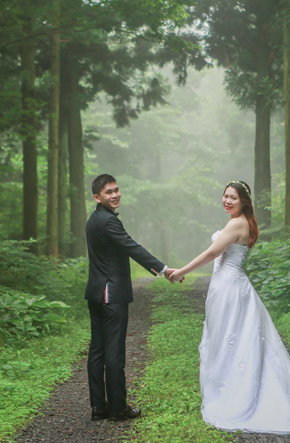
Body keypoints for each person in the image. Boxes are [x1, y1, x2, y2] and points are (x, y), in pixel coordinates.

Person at [169, 181, 290, 434]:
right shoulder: (243, 222)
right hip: (229, 286)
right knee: (232, 339)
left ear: (244, 202)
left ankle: (237, 395)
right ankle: (229, 387)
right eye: (225, 196)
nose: (227, 201)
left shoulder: (237, 223)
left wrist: (180, 271)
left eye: (233, 198)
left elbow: (212, 253)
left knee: (233, 339)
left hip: (230, 288)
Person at [85, 174, 173, 422]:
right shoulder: (108, 222)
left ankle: (98, 407)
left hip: (95, 293)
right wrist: (163, 269)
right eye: (108, 192)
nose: (115, 195)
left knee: (98, 351)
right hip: (111, 296)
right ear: (97, 197)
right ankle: (117, 408)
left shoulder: (94, 219)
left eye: (116, 190)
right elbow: (132, 247)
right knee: (113, 353)